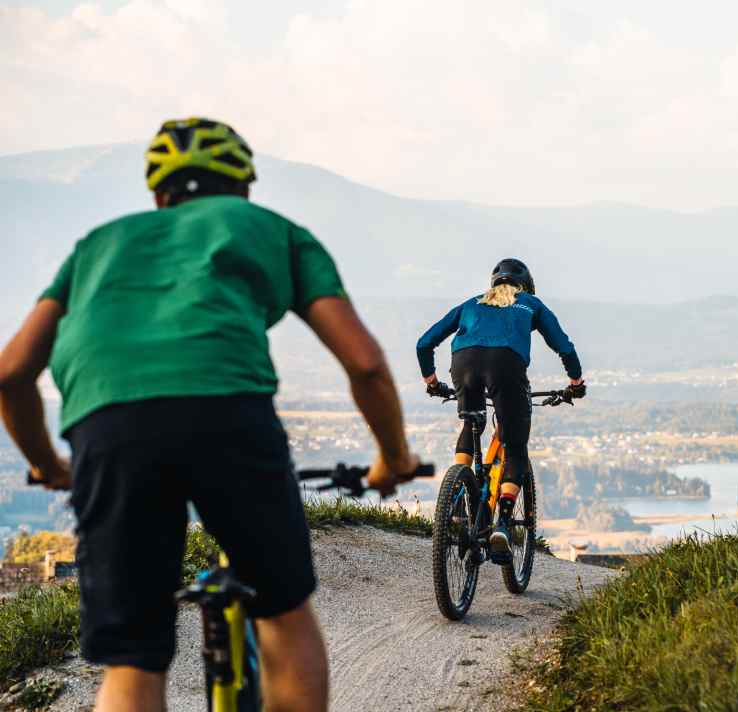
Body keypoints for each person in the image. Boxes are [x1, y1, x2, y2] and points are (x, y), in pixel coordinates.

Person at [0, 117, 424, 712]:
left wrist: (49, 465)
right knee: (282, 612)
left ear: (157, 196)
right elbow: (367, 364)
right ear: (244, 186)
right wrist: (394, 458)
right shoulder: (274, 230)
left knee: (132, 659)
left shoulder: (100, 244)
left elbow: (11, 371)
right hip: (227, 415)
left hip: (109, 426)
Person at [416, 258, 585, 561]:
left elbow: (424, 343)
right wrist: (576, 383)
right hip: (506, 367)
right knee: (515, 448)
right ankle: (503, 525)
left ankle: (457, 496)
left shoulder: (472, 303)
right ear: (526, 286)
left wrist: (432, 381)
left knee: (471, 426)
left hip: (463, 365)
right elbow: (564, 347)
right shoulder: (531, 304)